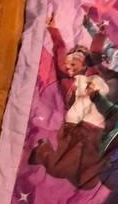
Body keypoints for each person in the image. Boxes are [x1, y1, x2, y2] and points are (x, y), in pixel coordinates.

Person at [28, 15, 109, 190]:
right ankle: (42, 149)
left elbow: (95, 55)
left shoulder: (92, 75)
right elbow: (60, 49)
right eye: (68, 65)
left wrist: (99, 35)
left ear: (84, 65)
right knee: (59, 169)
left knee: (88, 184)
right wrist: (53, 30)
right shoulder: (67, 81)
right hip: (74, 129)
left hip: (96, 129)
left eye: (74, 65)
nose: (69, 68)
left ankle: (86, 166)